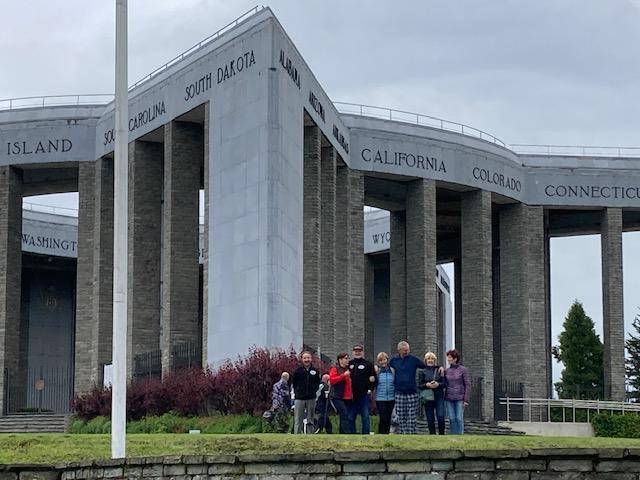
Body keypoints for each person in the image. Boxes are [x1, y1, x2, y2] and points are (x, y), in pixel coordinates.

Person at [388, 341, 425, 434]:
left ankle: (411, 434)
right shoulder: (394, 361)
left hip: (412, 391)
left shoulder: (413, 359)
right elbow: (386, 367)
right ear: (399, 350)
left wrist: (439, 367)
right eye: (405, 350)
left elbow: (426, 366)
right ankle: (403, 434)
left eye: (408, 350)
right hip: (399, 392)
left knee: (411, 416)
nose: (407, 352)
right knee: (401, 415)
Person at [348, 344, 376, 434]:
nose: (357, 352)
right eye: (356, 351)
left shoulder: (368, 364)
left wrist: (370, 389)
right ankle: (352, 434)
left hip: (364, 394)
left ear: (362, 352)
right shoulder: (349, 364)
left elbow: (373, 378)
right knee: (351, 416)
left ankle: (366, 434)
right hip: (352, 395)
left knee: (365, 416)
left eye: (359, 351)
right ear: (353, 352)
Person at [291, 351, 321, 434]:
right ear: (302, 359)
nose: (306, 360)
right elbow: (294, 383)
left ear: (311, 359)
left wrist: (313, 391)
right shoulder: (297, 371)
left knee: (310, 419)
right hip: (299, 398)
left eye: (308, 358)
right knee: (298, 419)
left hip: (311, 398)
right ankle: (297, 435)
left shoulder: (315, 371)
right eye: (305, 358)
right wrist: (298, 392)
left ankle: (310, 435)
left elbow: (317, 383)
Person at [417, 352, 446, 435]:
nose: (430, 360)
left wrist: (438, 384)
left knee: (440, 416)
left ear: (435, 360)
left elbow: (444, 383)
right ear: (425, 360)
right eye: (428, 359)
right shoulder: (422, 371)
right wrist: (427, 385)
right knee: (430, 418)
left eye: (432, 359)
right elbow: (419, 385)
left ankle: (442, 434)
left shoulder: (439, 370)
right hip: (428, 397)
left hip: (438, 396)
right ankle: (432, 435)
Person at [444, 349, 470, 435]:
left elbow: (467, 384)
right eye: (448, 357)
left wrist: (465, 399)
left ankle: (460, 435)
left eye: (450, 357)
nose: (448, 359)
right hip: (449, 398)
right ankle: (453, 435)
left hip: (460, 398)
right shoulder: (446, 371)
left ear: (455, 359)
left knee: (459, 418)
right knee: (452, 418)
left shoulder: (463, 370)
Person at [329, 352, 353, 433]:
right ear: (340, 360)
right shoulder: (335, 369)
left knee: (344, 415)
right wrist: (343, 375)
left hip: (347, 397)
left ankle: (341, 433)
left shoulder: (348, 370)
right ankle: (347, 433)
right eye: (346, 358)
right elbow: (332, 380)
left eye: (348, 358)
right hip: (337, 396)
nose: (348, 360)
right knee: (344, 413)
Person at [374, 352, 395, 434]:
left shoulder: (392, 370)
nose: (383, 362)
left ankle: (387, 433)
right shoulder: (377, 371)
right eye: (380, 360)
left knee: (389, 417)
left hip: (391, 397)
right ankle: (381, 433)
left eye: (384, 359)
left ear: (387, 360)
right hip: (380, 398)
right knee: (383, 417)